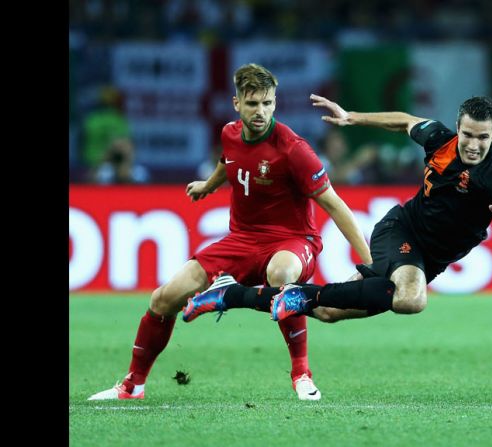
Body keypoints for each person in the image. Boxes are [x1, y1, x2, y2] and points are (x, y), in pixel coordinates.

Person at [88, 63, 372, 401]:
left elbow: (336, 206)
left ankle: (301, 374)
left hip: (293, 241)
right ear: (237, 104)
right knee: (162, 299)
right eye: (253, 104)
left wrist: (369, 263)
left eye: (268, 103)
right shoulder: (229, 133)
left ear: (275, 103)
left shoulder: (294, 151)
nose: (261, 112)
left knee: (281, 275)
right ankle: (133, 385)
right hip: (241, 240)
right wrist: (208, 186)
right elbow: (229, 160)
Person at [182, 94, 492, 327]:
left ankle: (231, 293)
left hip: (429, 260)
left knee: (329, 311)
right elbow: (404, 121)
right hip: (402, 232)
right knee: (410, 299)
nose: (473, 144)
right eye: (468, 134)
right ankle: (299, 294)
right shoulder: (440, 139)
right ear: (458, 128)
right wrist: (352, 117)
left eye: (483, 138)